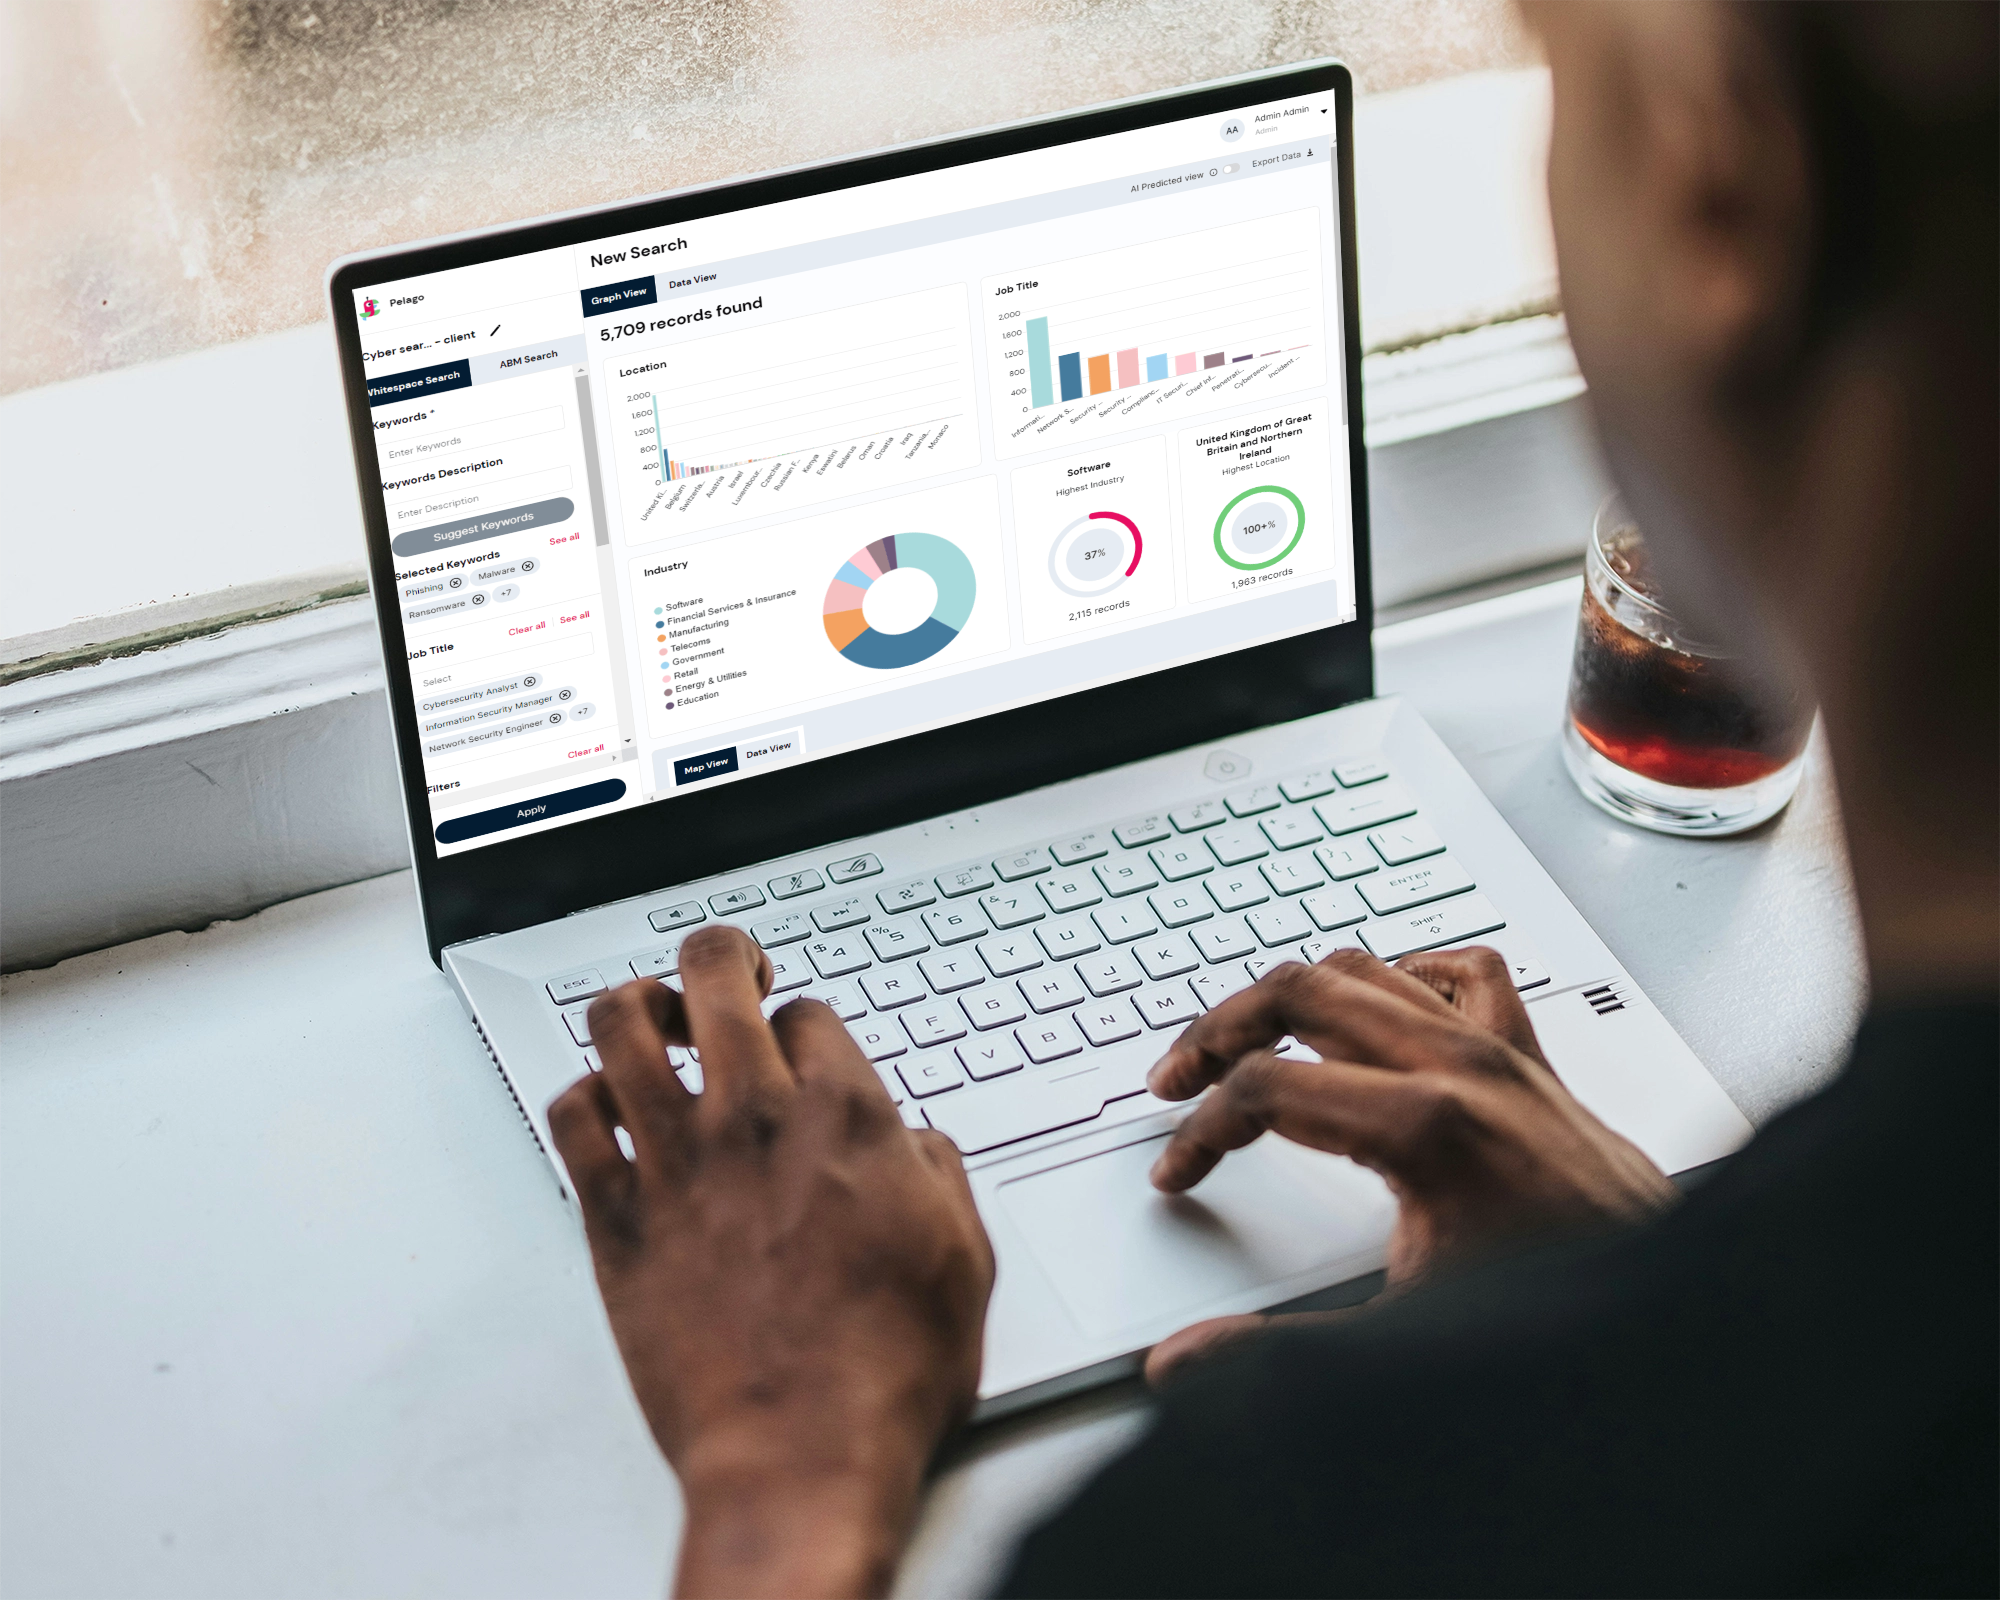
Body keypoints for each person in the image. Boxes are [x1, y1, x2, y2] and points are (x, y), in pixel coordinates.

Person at [546, 0, 2000, 1593]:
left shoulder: (1281, 1523)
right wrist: (1662, 1283)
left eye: (1559, 73)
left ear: (1726, 182)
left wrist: (780, 1466)